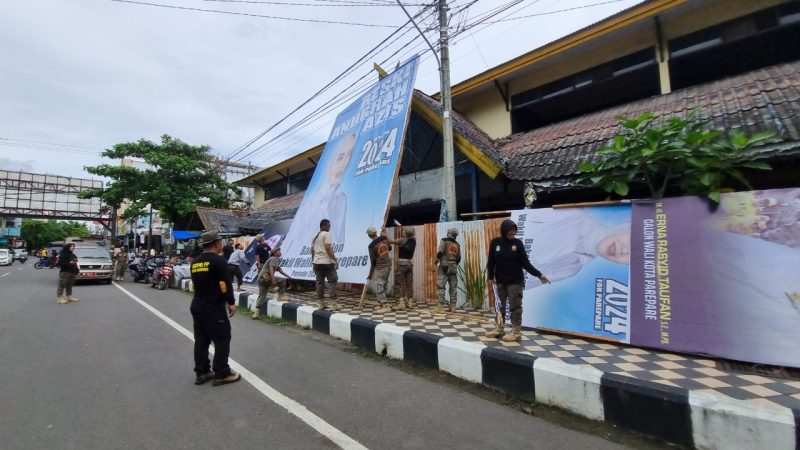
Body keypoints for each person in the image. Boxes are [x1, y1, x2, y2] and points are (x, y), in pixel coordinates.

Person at [282, 133, 355, 255]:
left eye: (349, 156)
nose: (344, 164)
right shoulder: (310, 203)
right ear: (329, 161)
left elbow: (340, 238)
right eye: (340, 158)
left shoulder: (342, 199)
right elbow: (295, 243)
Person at [486, 219, 551, 342]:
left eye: (514, 230)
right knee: (499, 306)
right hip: (500, 280)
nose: (513, 232)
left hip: (515, 281)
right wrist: (490, 278)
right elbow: (491, 262)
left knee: (515, 307)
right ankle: (500, 329)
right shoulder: (495, 242)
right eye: (510, 230)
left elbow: (525, 263)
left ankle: (516, 332)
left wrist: (539, 275)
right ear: (504, 230)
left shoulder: (518, 244)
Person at [189, 231, 240, 387]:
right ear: (216, 243)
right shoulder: (219, 261)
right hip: (213, 307)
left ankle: (202, 372)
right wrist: (231, 302)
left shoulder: (195, 262)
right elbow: (225, 284)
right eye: (221, 242)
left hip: (197, 305)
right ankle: (222, 372)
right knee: (222, 337)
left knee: (201, 339)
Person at [252, 248, 292, 319]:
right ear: (275, 253)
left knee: (262, 295)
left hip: (261, 279)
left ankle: (256, 313)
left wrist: (289, 277)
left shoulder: (274, 261)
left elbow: (280, 271)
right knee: (282, 280)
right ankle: (280, 296)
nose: (280, 252)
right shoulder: (273, 259)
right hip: (265, 277)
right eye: (278, 251)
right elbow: (271, 269)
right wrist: (273, 280)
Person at [312, 219, 341, 311]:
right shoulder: (326, 234)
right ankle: (334, 305)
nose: (329, 227)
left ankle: (321, 304)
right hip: (327, 262)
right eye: (328, 225)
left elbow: (312, 250)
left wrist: (313, 261)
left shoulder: (315, 236)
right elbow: (328, 248)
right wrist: (335, 259)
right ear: (323, 226)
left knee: (319, 283)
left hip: (317, 263)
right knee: (333, 282)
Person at [388, 226, 416, 310]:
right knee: (409, 284)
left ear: (406, 233)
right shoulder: (414, 241)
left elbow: (390, 241)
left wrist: (384, 234)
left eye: (404, 231)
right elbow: (410, 235)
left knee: (398, 284)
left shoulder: (402, 240)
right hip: (409, 264)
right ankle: (410, 302)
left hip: (401, 265)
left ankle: (400, 303)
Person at [367, 227, 393, 314]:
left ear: (369, 235)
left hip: (381, 267)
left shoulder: (371, 246)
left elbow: (373, 261)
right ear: (375, 232)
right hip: (388, 265)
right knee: (383, 284)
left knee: (379, 286)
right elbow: (390, 248)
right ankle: (381, 303)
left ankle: (385, 306)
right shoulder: (384, 238)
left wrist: (371, 273)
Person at [435, 228, 461, 313]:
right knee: (453, 287)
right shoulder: (457, 245)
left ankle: (440, 307)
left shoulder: (444, 240)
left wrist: (437, 260)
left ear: (448, 233)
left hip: (444, 267)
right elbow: (459, 258)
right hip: (453, 267)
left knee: (441, 286)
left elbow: (440, 252)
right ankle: (453, 307)